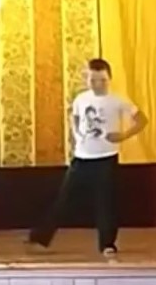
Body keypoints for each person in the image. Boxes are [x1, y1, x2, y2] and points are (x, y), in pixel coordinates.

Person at [28, 58, 148, 256]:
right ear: (87, 79)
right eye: (93, 80)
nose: (98, 84)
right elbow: (75, 118)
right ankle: (41, 237)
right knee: (63, 199)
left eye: (102, 80)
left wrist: (123, 135)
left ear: (109, 78)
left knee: (106, 203)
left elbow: (142, 120)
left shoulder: (118, 100)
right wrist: (76, 135)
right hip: (81, 158)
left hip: (106, 159)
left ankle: (107, 244)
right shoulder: (81, 99)